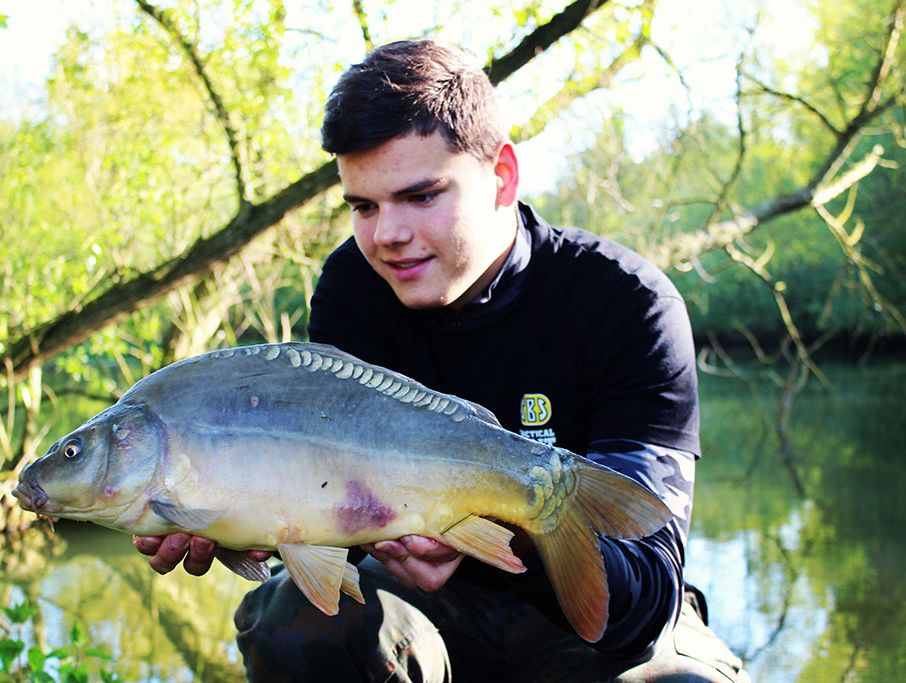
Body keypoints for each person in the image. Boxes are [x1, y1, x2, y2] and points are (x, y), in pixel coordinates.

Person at [134, 39, 750, 682]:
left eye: (421, 196)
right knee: (296, 625)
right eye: (363, 206)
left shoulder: (627, 301)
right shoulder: (354, 289)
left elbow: (642, 601)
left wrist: (489, 537)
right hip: (426, 607)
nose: (387, 235)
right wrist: (239, 513)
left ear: (502, 176)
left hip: (592, 632)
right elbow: (317, 511)